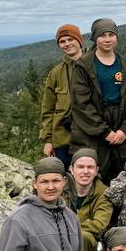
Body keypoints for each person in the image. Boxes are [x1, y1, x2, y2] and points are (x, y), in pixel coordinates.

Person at [69, 18, 126, 184]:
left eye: (111, 34)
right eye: (103, 35)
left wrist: (125, 130)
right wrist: (105, 132)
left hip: (123, 131)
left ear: (116, 37)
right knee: (93, 178)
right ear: (95, 38)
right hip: (92, 133)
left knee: (124, 178)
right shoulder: (83, 66)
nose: (108, 39)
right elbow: (81, 104)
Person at [38, 23, 84, 170]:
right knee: (64, 181)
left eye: (70, 39)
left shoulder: (94, 66)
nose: (67, 44)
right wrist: (48, 140)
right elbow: (48, 110)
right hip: (63, 140)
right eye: (62, 41)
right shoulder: (55, 73)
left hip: (90, 138)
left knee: (88, 178)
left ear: (79, 40)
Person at [64, 147, 112, 251]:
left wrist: (69, 229)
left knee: (83, 237)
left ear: (96, 171)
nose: (85, 171)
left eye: (90, 167)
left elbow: (99, 225)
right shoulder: (61, 189)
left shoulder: (104, 193)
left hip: (90, 247)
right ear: (71, 170)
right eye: (80, 167)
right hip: (58, 236)